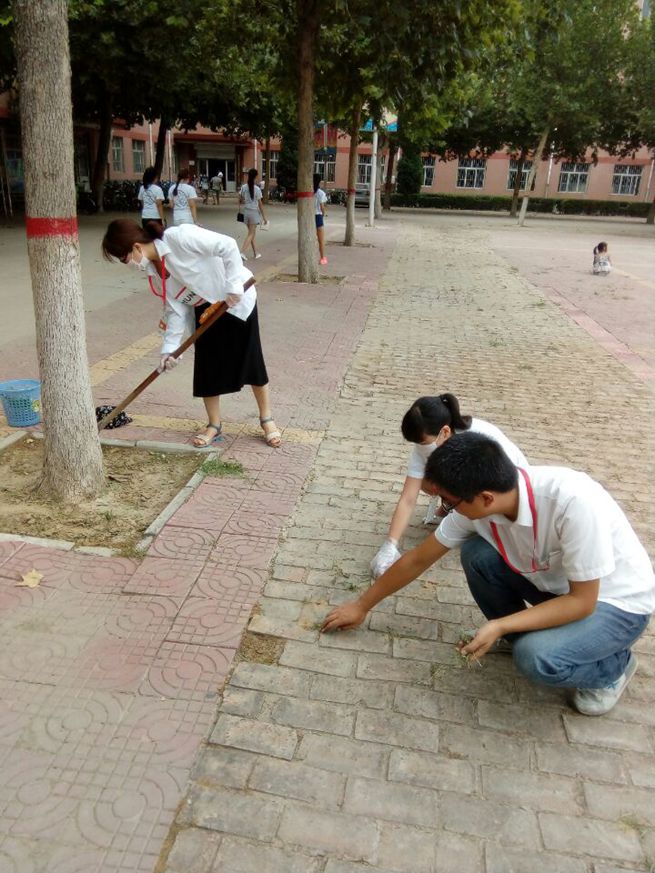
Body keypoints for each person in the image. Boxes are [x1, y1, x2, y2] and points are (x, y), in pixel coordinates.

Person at [323, 432, 654, 716]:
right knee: (478, 555)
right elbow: (417, 559)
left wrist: (501, 623)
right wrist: (362, 605)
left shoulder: (573, 502)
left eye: (448, 503)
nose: (444, 510)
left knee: (536, 657)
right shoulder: (479, 503)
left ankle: (613, 669)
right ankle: (519, 637)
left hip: (615, 604)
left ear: (484, 498)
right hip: (557, 587)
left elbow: (583, 603)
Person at [101, 218, 282, 449]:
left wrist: (234, 285)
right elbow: (176, 308)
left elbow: (227, 245)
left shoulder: (179, 237)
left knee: (251, 360)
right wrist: (170, 351)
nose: (128, 264)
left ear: (136, 247)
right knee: (208, 366)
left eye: (124, 258)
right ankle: (214, 425)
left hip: (235, 299)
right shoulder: (153, 270)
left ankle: (267, 419)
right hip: (205, 309)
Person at [370, 394, 528, 578]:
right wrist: (390, 544)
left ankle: (468, 518)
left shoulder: (480, 439)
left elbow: (503, 488)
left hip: (505, 493)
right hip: (472, 498)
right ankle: (451, 510)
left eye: (422, 442)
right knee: (425, 480)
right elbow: (408, 498)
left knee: (476, 547)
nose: (420, 448)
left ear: (445, 432)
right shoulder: (427, 446)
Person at [239, 168, 268, 261]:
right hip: (253, 212)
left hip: (246, 212)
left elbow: (240, 199)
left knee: (251, 234)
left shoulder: (243, 187)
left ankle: (256, 253)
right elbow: (260, 204)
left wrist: (245, 201)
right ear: (255, 176)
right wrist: (264, 217)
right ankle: (242, 252)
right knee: (251, 233)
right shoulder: (257, 189)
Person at [137, 167, 165, 232]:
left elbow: (142, 202)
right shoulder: (158, 189)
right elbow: (159, 205)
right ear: (154, 177)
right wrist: (162, 219)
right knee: (156, 238)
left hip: (145, 217)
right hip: (156, 217)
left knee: (147, 236)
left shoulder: (142, 188)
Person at [314, 173, 328, 266]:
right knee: (321, 240)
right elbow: (322, 207)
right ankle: (322, 258)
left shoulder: (309, 192)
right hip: (318, 216)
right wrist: (324, 214)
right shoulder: (321, 193)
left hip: (310, 216)